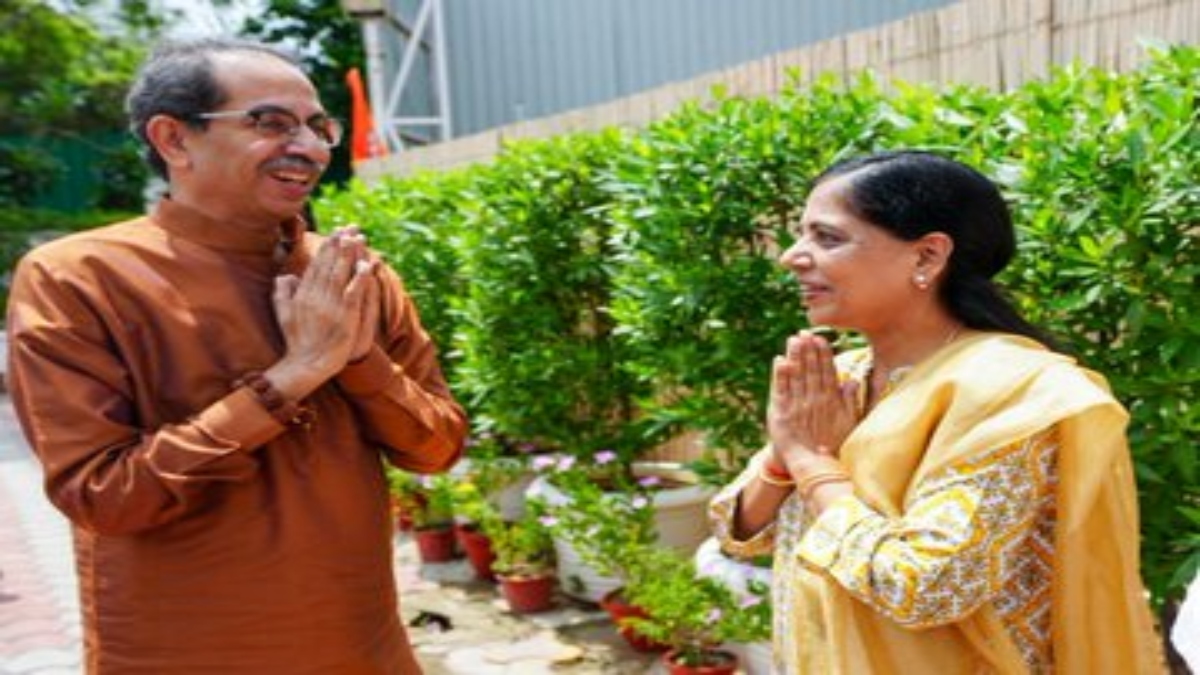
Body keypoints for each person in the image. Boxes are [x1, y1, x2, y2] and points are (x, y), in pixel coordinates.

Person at [5, 38, 467, 674]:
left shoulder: (350, 276)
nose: (306, 147)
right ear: (174, 139)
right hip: (182, 651)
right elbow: (105, 496)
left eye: (316, 126)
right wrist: (290, 379)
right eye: (270, 123)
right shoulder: (79, 278)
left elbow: (435, 448)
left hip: (361, 644)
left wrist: (358, 361)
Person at [709, 150, 1164, 673]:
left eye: (826, 237)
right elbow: (736, 531)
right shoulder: (842, 378)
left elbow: (927, 587)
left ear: (927, 257)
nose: (792, 256)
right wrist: (783, 462)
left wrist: (813, 464)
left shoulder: (1013, 393)